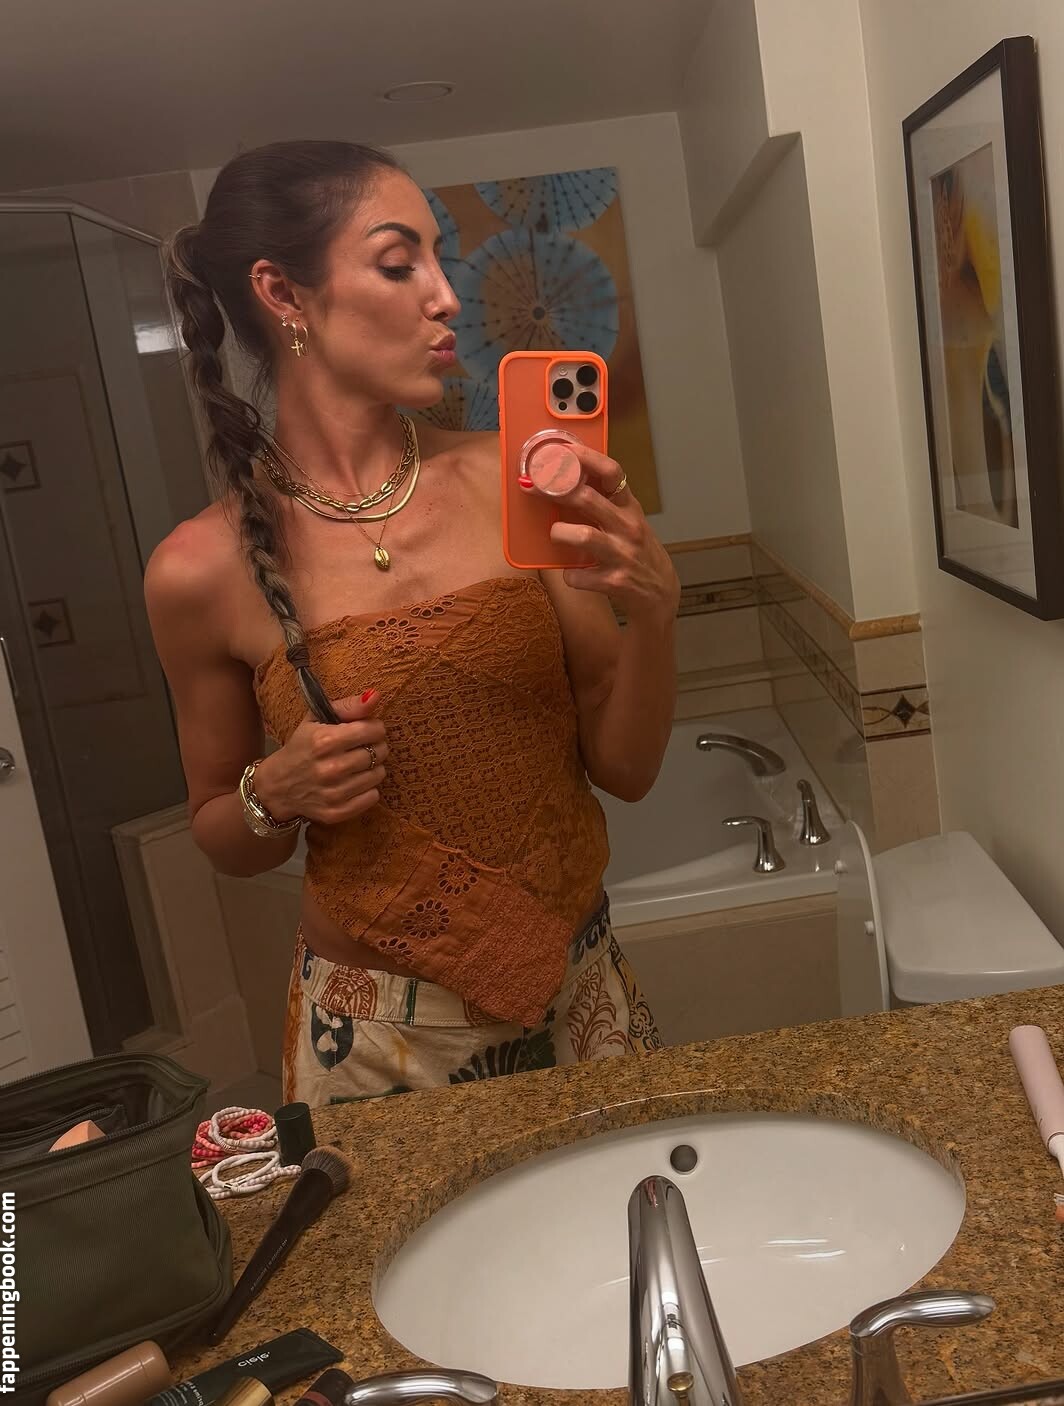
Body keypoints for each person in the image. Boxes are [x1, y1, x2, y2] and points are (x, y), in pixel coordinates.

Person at [145, 141, 680, 1107]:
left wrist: (654, 612)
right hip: (376, 1043)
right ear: (283, 293)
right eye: (400, 264)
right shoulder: (199, 570)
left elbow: (629, 770)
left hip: (581, 1000)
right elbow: (223, 831)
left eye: (440, 258)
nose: (447, 297)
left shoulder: (512, 477)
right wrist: (278, 788)